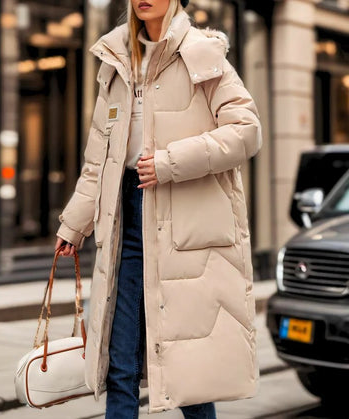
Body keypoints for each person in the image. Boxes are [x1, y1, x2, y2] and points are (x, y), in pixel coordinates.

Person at [56, 0, 262, 417]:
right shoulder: (114, 61)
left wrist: (170, 162)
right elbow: (99, 160)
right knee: (120, 361)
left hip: (186, 225)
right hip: (126, 219)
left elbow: (246, 131)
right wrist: (73, 225)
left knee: (191, 366)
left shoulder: (202, 53)